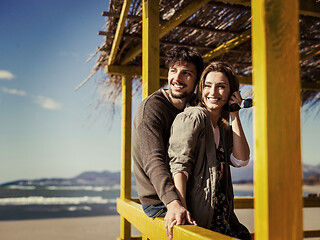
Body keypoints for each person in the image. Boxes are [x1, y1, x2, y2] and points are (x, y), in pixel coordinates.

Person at [168, 62, 251, 239]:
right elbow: (179, 167)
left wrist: (235, 113)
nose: (212, 93)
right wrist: (180, 207)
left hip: (222, 219)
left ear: (232, 93)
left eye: (221, 87)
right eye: (207, 86)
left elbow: (241, 160)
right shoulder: (194, 116)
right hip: (200, 221)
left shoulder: (223, 129)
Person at [132, 47, 204, 239]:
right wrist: (173, 203)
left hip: (187, 196)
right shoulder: (151, 109)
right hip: (160, 202)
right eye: (173, 70)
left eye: (186, 73)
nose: (177, 78)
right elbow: (152, 161)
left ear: (197, 80)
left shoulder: (193, 107)